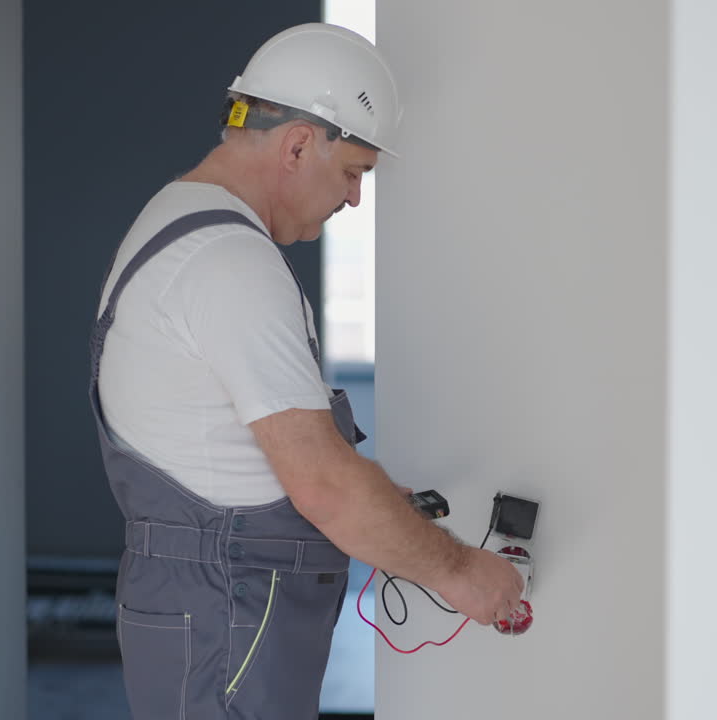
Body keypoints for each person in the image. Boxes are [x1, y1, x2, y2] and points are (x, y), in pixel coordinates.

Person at [88, 23, 523, 719]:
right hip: (229, 617)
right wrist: (463, 573)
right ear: (297, 145)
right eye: (353, 171)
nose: (354, 198)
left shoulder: (180, 224)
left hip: (212, 613)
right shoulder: (229, 265)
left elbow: (273, 461)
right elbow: (323, 487)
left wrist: (374, 500)